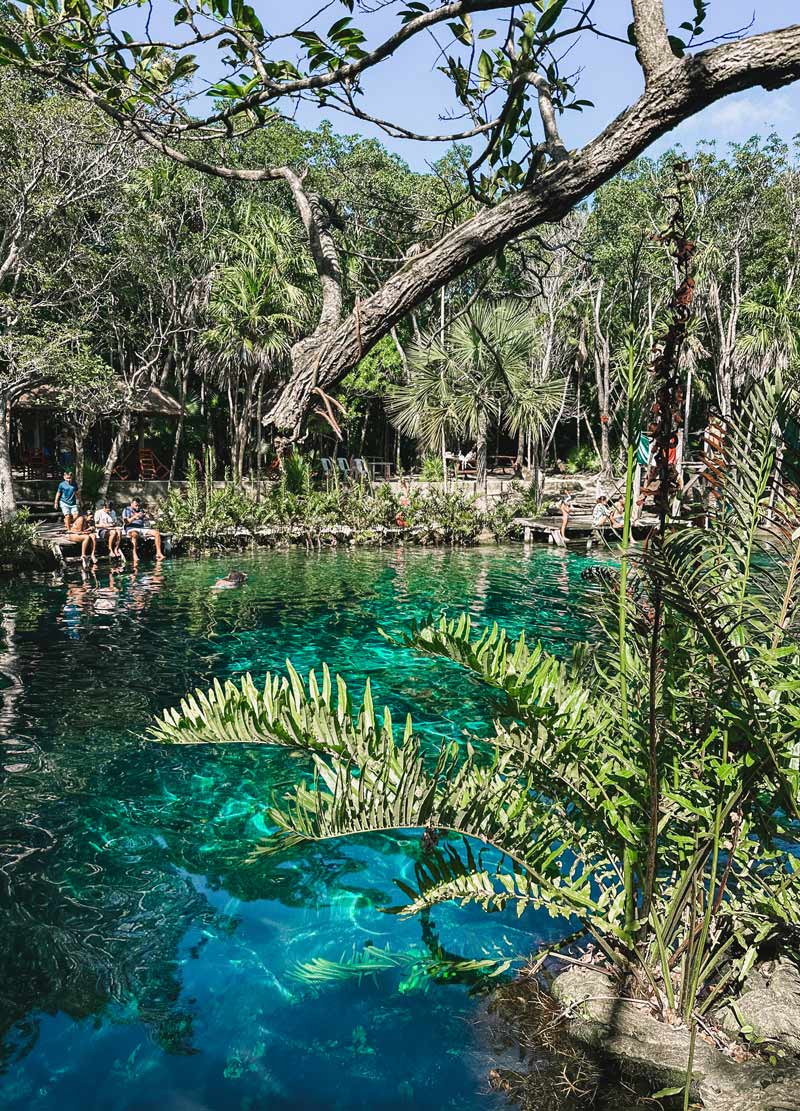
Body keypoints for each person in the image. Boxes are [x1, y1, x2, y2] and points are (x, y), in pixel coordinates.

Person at [122, 497, 164, 564]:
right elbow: (126, 522)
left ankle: (158, 553)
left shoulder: (141, 510)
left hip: (141, 528)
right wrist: (134, 517)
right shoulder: (127, 510)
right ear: (131, 504)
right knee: (134, 534)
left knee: (156, 533)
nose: (137, 507)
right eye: (136, 505)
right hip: (131, 528)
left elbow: (152, 518)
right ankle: (134, 554)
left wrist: (148, 514)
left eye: (138, 505)